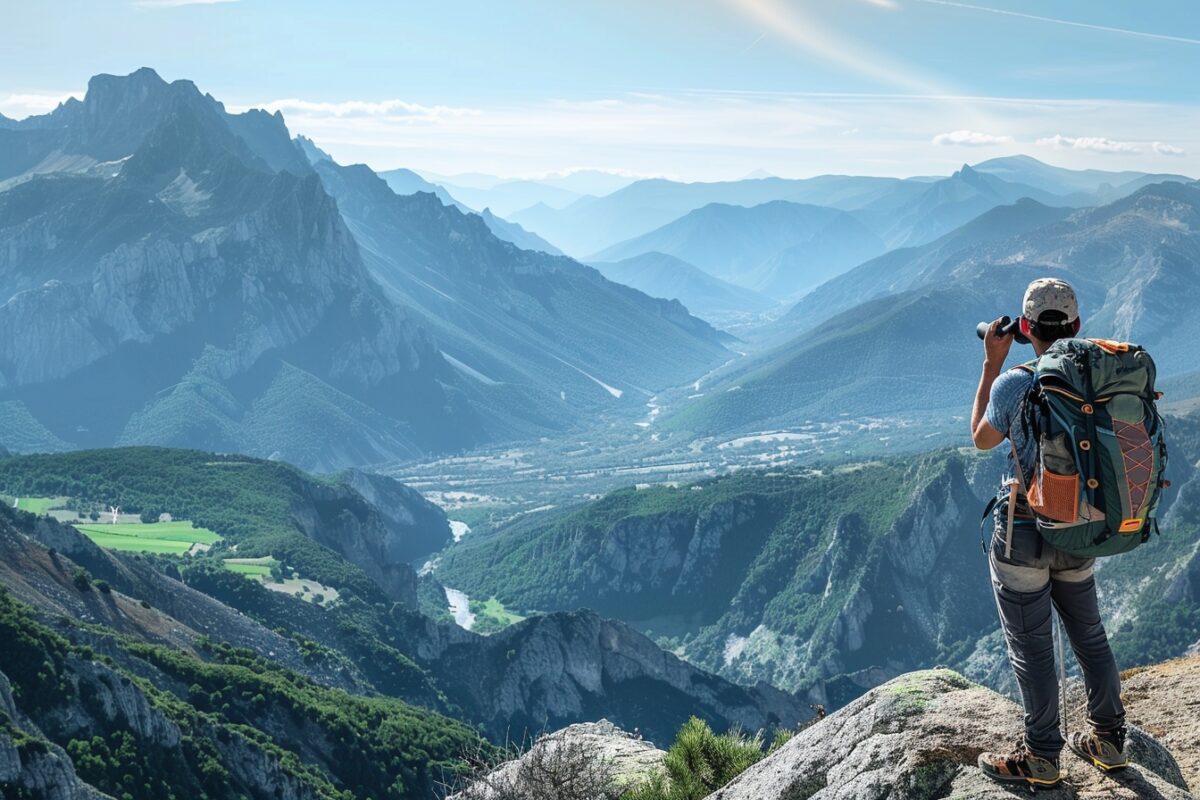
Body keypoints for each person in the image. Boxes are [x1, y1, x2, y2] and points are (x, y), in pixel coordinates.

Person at [970, 278, 1127, 788]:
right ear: (1077, 326)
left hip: (1024, 532)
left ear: (1024, 329)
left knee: (1033, 648)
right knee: (1090, 635)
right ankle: (1108, 738)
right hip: (1081, 529)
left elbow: (980, 439)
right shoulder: (1096, 376)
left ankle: (1041, 757)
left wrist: (992, 363)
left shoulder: (1014, 382)